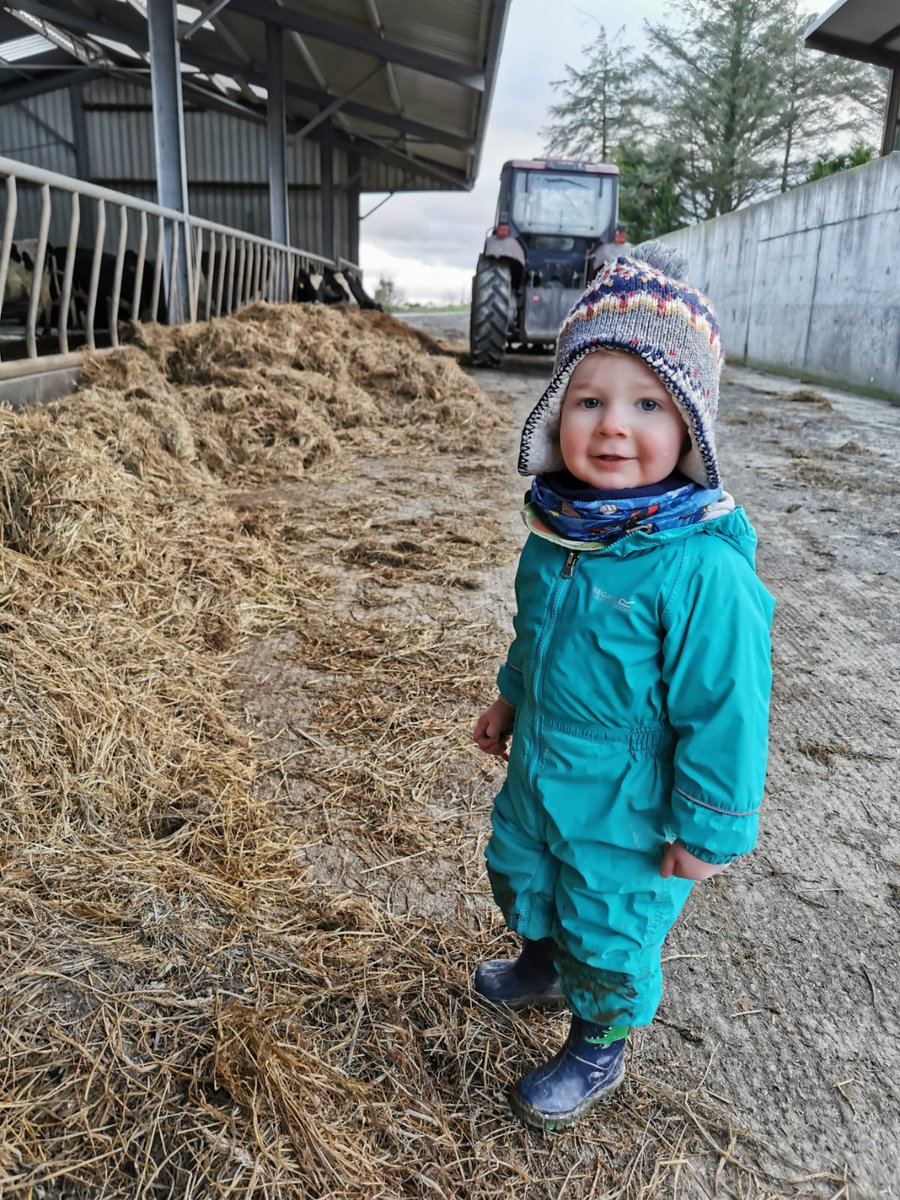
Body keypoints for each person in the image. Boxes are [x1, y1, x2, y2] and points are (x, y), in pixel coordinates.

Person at [471, 242, 774, 1132]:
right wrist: (511, 698)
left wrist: (709, 829)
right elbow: (537, 633)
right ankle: (541, 963)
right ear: (554, 413)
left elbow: (729, 711)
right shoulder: (559, 532)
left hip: (631, 804)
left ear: (692, 427)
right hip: (543, 764)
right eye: (589, 400)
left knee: (609, 924)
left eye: (648, 404)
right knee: (521, 869)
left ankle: (597, 1041)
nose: (613, 426)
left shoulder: (702, 571)